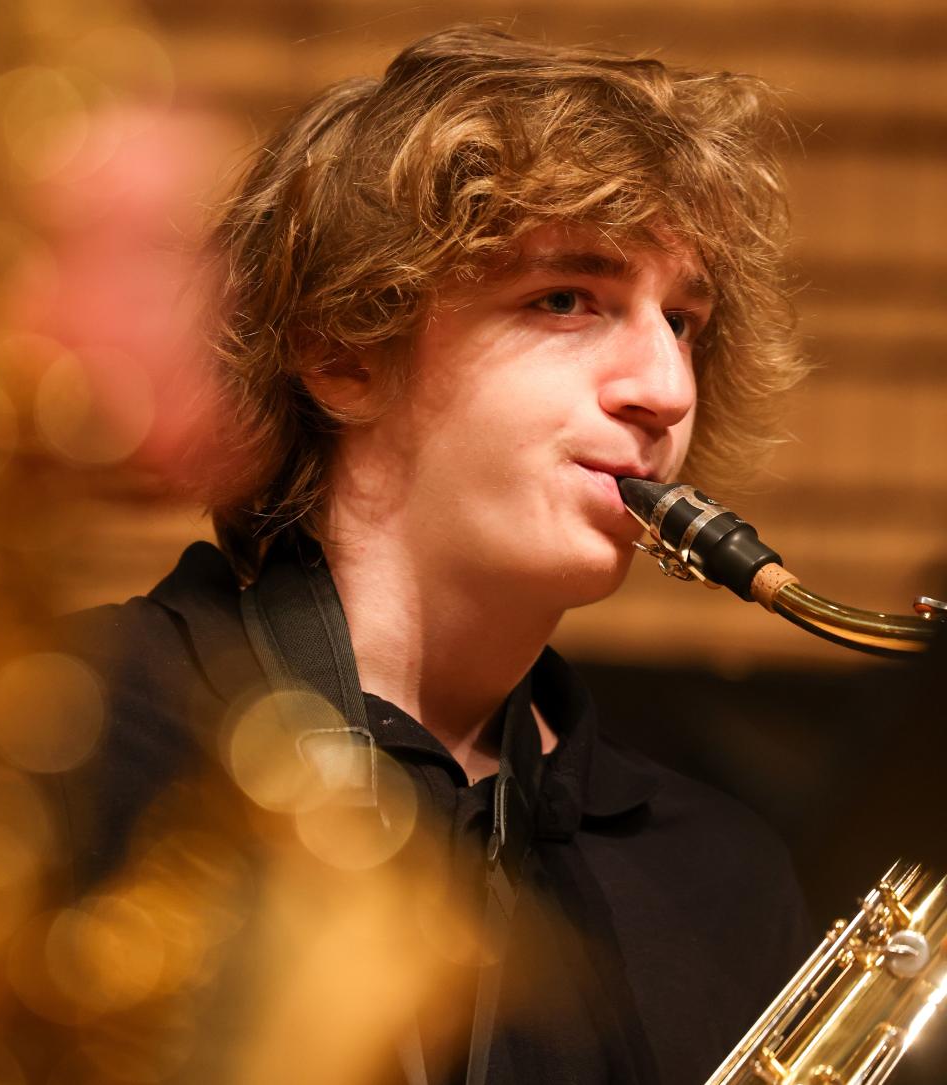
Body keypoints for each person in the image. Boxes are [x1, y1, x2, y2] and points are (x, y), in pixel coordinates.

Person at [59, 24, 813, 1085]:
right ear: (342, 347)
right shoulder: (67, 727)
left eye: (684, 321)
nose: (666, 388)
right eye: (567, 297)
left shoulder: (718, 875)